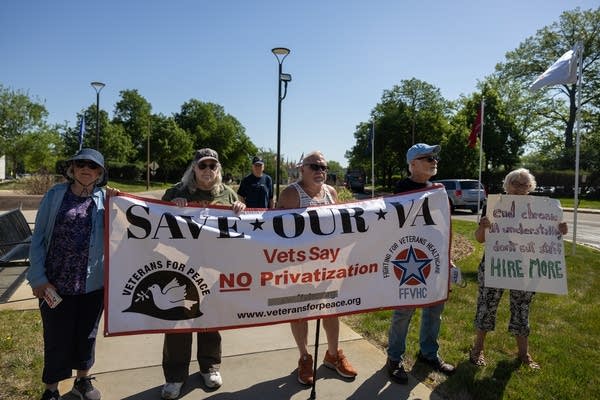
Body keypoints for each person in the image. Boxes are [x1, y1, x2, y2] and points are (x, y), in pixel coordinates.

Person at [27, 148, 117, 400]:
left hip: (92, 284)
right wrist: (37, 278)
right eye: (81, 165)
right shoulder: (55, 195)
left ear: (100, 173)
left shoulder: (105, 199)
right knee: (56, 337)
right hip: (55, 283)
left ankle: (82, 380)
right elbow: (38, 239)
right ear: (72, 169)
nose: (86, 169)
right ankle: (52, 388)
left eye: (93, 166)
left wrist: (119, 201)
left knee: (86, 335)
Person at [160, 148, 246, 400]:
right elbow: (155, 220)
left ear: (218, 169)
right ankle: (175, 376)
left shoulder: (226, 194)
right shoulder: (177, 192)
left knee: (210, 319)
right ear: (194, 168)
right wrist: (171, 207)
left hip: (213, 268)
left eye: (212, 166)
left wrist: (240, 208)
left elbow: (242, 227)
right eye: (203, 165)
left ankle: (209, 366)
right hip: (180, 268)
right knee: (178, 320)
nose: (208, 170)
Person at [469, 168, 568, 369]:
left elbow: (550, 237)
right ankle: (477, 349)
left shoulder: (541, 209)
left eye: (525, 184)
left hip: (525, 269)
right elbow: (479, 239)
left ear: (530, 188)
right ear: (507, 185)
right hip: (496, 266)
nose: (520, 187)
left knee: (522, 310)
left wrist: (560, 230)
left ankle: (524, 354)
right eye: (515, 183)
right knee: (486, 307)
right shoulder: (495, 205)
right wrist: (483, 226)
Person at [277, 150, 357, 386]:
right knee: (301, 312)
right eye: (315, 166)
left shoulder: (331, 193)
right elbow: (275, 231)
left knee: (332, 309)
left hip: (329, 265)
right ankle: (304, 357)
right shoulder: (291, 194)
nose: (320, 171)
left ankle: (333, 355)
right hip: (299, 266)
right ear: (302, 168)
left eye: (324, 167)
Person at [386, 143, 456, 385]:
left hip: (434, 258)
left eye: (435, 157)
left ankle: (428, 354)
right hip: (409, 258)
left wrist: (448, 256)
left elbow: (442, 226)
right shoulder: (402, 189)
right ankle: (394, 358)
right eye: (427, 157)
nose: (434, 160)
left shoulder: (438, 190)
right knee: (404, 311)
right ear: (413, 164)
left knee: (434, 310)